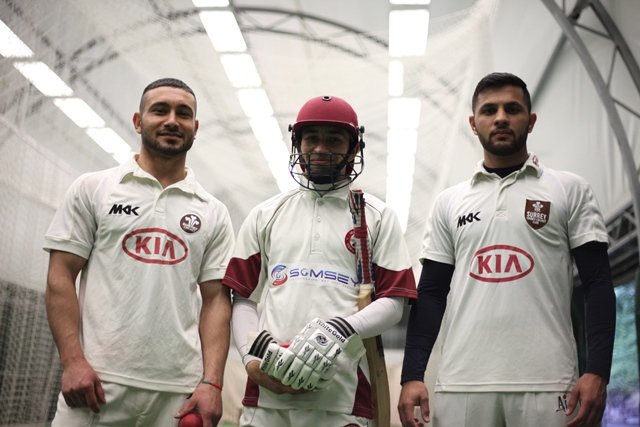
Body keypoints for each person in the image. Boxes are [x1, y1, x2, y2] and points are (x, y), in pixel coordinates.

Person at [398, 72, 616, 427]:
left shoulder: (569, 189)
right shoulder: (449, 202)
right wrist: (412, 375)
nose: (500, 117)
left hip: (549, 383)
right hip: (461, 384)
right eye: (489, 110)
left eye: (512, 109)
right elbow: (432, 292)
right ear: (473, 123)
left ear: (530, 121)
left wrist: (598, 371)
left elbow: (598, 284)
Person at [44, 78, 235, 427]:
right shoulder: (94, 189)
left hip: (178, 391)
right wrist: (73, 362)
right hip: (96, 384)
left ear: (196, 127)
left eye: (184, 113)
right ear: (137, 121)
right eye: (160, 110)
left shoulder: (213, 211)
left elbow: (217, 301)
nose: (172, 121)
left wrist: (212, 382)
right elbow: (61, 276)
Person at [222, 95, 418, 426]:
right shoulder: (266, 214)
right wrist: (251, 359)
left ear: (354, 149)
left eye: (334, 139)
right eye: (312, 138)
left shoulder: (378, 216)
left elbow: (395, 303)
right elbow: (242, 297)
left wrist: (341, 328)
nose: (321, 148)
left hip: (343, 398)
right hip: (267, 398)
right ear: (297, 144)